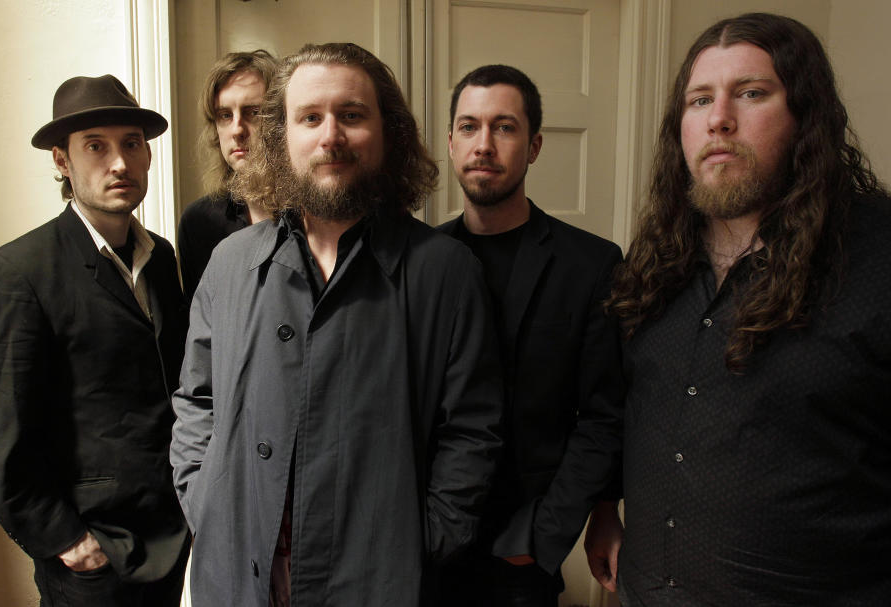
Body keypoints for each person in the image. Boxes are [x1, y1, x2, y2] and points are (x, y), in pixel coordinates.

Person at [170, 42, 504, 606]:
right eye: (310, 118)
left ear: (388, 132)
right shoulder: (229, 263)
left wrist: (427, 538)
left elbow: (472, 430)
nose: (330, 137)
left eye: (351, 115)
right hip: (237, 577)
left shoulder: (446, 272)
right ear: (280, 138)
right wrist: (206, 500)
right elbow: (195, 400)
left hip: (380, 581)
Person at [584, 12, 891, 605]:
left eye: (751, 93)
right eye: (699, 100)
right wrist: (604, 506)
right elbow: (629, 409)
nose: (719, 119)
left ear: (806, 114)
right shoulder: (655, 264)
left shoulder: (877, 256)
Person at [0, 75, 190, 605]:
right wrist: (69, 542)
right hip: (91, 561)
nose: (119, 163)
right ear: (61, 160)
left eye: (132, 143)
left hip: (170, 543)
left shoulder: (162, 258)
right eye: (96, 147)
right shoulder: (12, 275)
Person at [436, 64, 625, 605]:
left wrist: (542, 537)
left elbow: (604, 414)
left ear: (535, 145)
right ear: (451, 144)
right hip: (424, 537)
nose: (484, 144)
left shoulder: (591, 264)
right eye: (469, 127)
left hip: (522, 547)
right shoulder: (422, 260)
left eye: (505, 127)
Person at [177, 50, 278, 301]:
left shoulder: (314, 212)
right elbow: (200, 327)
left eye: (253, 112)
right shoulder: (199, 222)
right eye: (225, 115)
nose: (237, 129)